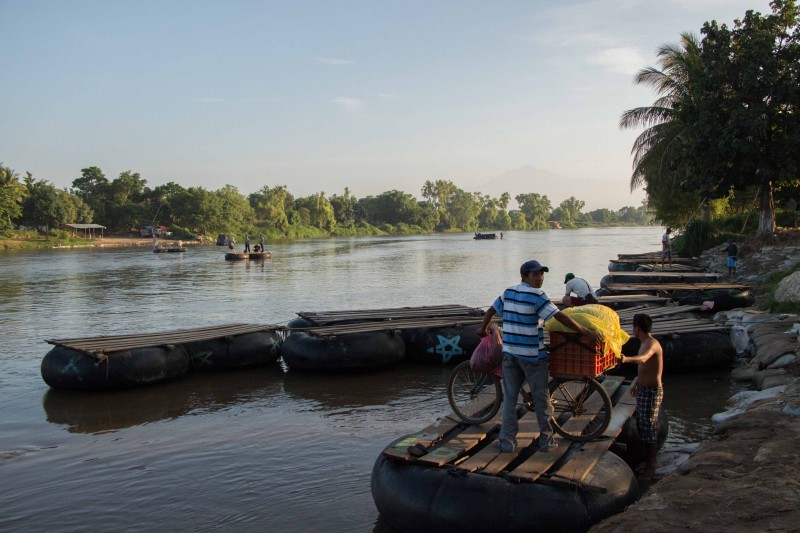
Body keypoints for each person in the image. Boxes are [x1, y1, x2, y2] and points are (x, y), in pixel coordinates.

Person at [478, 260, 602, 453]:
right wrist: (584, 330)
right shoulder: (538, 295)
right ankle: (546, 441)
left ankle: (507, 442)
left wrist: (483, 329)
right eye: (535, 275)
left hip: (510, 354)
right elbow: (558, 316)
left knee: (510, 399)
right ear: (525, 277)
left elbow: (492, 309)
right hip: (532, 357)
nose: (540, 278)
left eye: (542, 274)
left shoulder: (509, 292)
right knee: (541, 399)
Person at [621, 313, 664, 481]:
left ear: (637, 328)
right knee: (642, 425)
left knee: (648, 428)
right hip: (643, 388)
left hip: (652, 391)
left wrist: (626, 359)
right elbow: (646, 368)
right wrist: (635, 383)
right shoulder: (644, 343)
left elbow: (643, 360)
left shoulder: (652, 344)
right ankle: (648, 460)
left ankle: (652, 465)